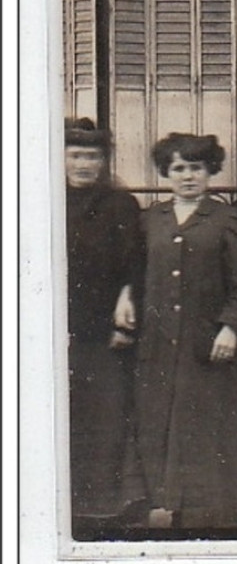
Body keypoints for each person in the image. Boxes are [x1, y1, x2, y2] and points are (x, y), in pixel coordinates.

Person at [132, 132, 237, 530]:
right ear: (166, 173)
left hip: (207, 343)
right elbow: (134, 274)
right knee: (160, 423)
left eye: (196, 168)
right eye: (179, 168)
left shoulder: (228, 219)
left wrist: (230, 328)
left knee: (205, 427)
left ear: (210, 171)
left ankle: (207, 517)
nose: (188, 176)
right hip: (158, 343)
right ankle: (167, 506)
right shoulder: (151, 219)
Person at [63, 118, 143, 528]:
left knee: (108, 416)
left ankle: (105, 506)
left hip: (106, 331)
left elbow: (134, 266)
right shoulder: (40, 201)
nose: (83, 164)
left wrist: (126, 309)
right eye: (76, 155)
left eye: (92, 156)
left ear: (104, 160)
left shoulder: (120, 205)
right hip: (56, 333)